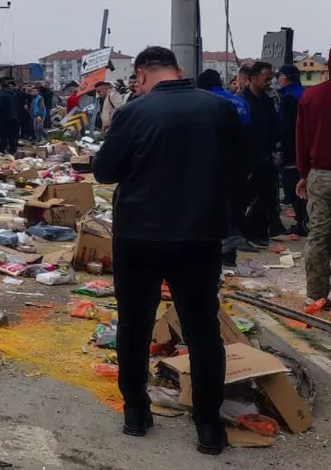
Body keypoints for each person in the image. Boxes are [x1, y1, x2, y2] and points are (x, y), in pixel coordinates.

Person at [93, 47, 245, 456]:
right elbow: (242, 167)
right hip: (199, 235)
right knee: (202, 329)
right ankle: (209, 425)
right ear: (178, 71)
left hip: (138, 235)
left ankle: (136, 412)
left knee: (134, 324)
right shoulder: (219, 109)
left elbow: (104, 171)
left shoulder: (134, 112)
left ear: (141, 75)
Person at [296, 42, 331, 305]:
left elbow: (301, 139)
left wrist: (304, 173)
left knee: (318, 235)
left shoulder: (311, 96)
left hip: (320, 174)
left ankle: (316, 295)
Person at [199, 68, 252, 266]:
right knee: (234, 209)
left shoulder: (207, 103)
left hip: (214, 165)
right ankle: (230, 256)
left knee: (214, 212)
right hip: (239, 164)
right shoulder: (241, 102)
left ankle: (216, 256)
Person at [242, 62, 280, 247]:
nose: (269, 83)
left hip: (266, 155)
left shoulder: (267, 100)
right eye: (266, 79)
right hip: (248, 158)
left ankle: (261, 232)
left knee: (266, 196)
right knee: (250, 197)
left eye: (271, 79)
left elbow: (274, 126)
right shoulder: (242, 101)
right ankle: (247, 232)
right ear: (253, 79)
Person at [277, 64, 308, 236]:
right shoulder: (304, 93)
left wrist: (281, 149)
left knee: (293, 187)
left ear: (285, 78)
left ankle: (302, 222)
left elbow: (287, 127)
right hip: (306, 147)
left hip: (292, 150)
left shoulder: (289, 97)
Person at [0, 80, 20, 156]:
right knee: (12, 134)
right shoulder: (14, 93)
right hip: (14, 117)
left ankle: (2, 149)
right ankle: (12, 149)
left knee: (3, 134)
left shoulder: (2, 94)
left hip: (4, 117)